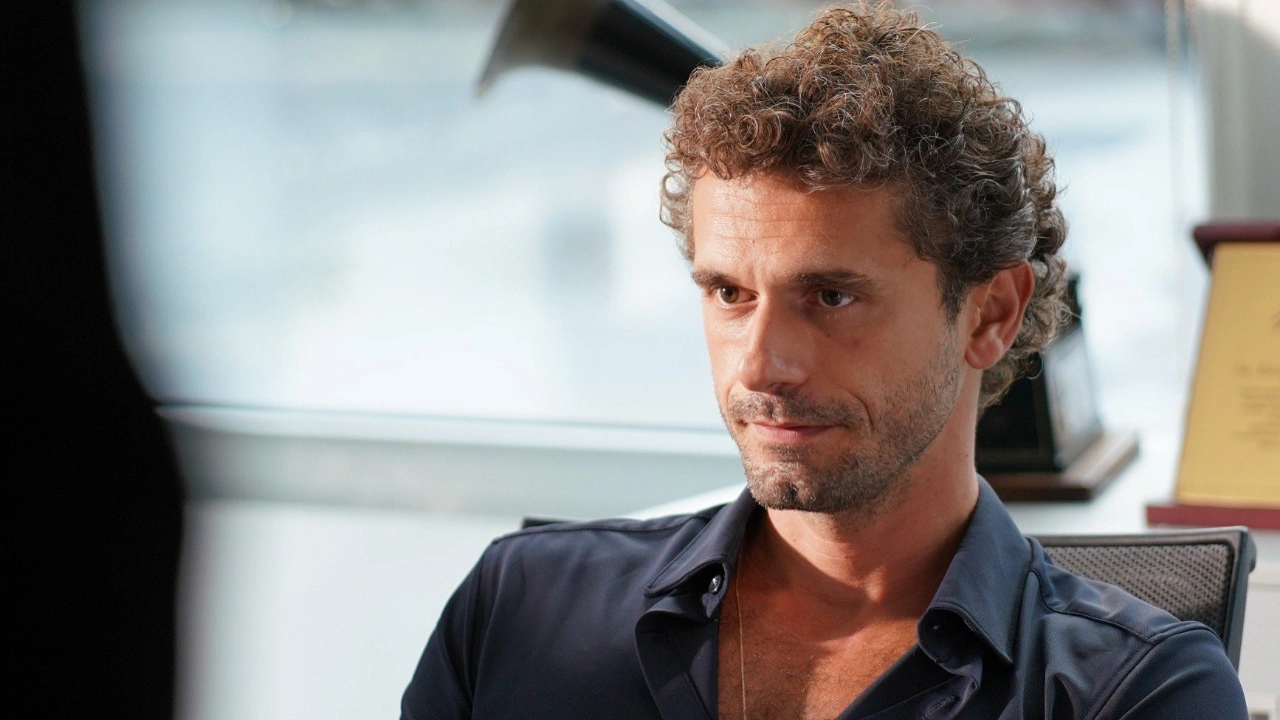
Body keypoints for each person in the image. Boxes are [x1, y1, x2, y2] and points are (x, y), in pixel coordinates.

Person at [401, 4, 1248, 718]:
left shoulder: (1138, 692)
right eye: (729, 293)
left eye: (831, 296)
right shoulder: (518, 604)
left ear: (990, 313)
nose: (761, 365)